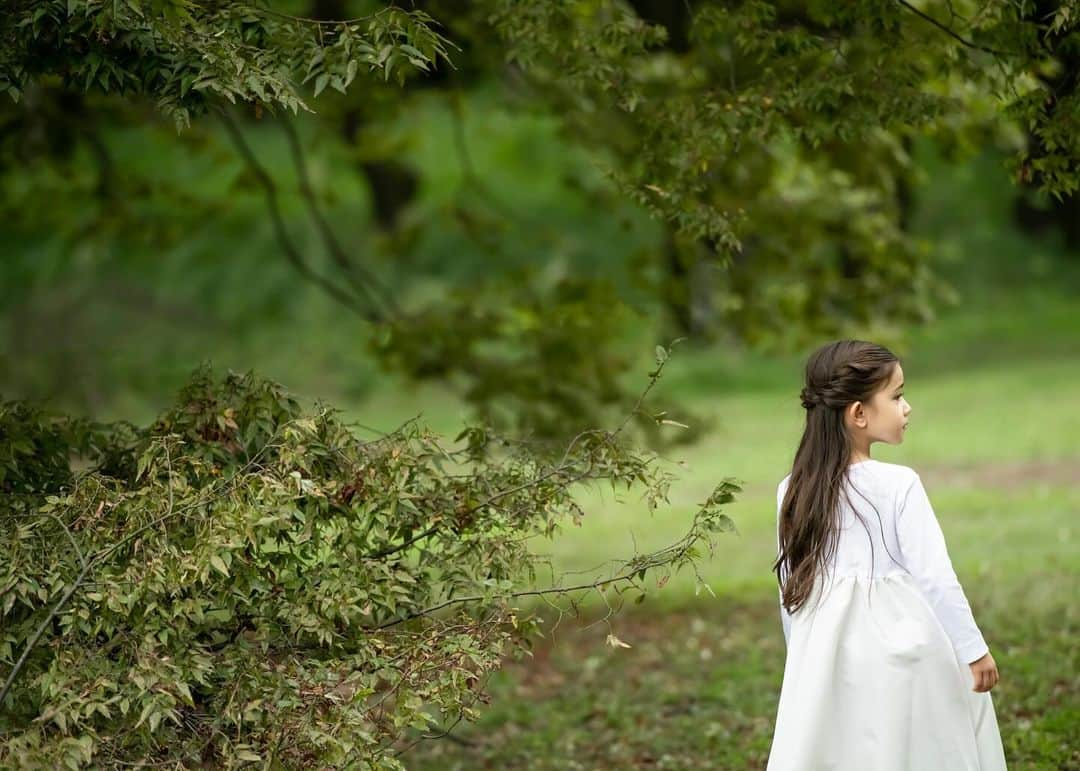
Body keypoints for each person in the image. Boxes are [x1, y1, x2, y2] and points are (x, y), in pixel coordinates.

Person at [766, 340, 1007, 770]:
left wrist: (800, 658)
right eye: (896, 397)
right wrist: (973, 649)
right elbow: (935, 575)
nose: (907, 407)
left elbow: (790, 589)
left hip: (827, 656)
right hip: (902, 647)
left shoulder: (792, 489)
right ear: (858, 413)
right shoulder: (899, 484)